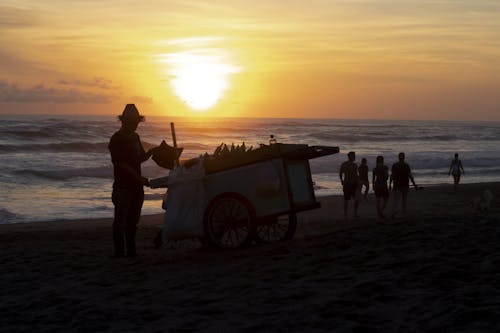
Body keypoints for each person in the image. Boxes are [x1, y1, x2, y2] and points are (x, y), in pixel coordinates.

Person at [109, 104, 154, 257]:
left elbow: (139, 158)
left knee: (133, 221)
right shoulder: (116, 139)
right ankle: (119, 252)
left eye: (137, 122)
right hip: (123, 187)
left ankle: (131, 250)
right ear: (124, 121)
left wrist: (152, 152)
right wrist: (138, 178)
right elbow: (121, 164)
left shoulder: (135, 137)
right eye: (133, 122)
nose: (136, 125)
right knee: (120, 221)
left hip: (136, 187)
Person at [389, 152, 418, 218]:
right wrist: (414, 185)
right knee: (404, 200)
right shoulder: (406, 165)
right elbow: (410, 176)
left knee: (396, 200)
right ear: (404, 158)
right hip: (404, 185)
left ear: (398, 157)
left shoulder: (395, 165)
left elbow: (392, 176)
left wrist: (390, 184)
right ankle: (403, 212)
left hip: (397, 185)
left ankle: (394, 213)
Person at [339, 151, 359, 219]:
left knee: (346, 200)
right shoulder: (354, 165)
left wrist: (341, 180)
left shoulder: (344, 164)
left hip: (347, 184)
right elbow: (356, 175)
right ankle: (354, 214)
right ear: (352, 157)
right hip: (352, 184)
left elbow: (340, 173)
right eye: (354, 156)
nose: (355, 157)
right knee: (355, 199)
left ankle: (346, 215)